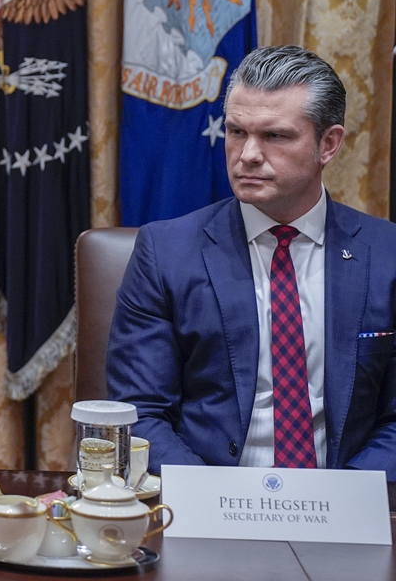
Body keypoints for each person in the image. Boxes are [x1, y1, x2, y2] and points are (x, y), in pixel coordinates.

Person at [107, 45, 396, 480]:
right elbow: (141, 413)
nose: (248, 155)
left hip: (350, 505)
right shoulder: (165, 252)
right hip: (206, 507)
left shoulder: (387, 254)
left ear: (329, 144)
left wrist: (344, 500)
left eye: (275, 136)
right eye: (237, 132)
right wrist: (215, 503)